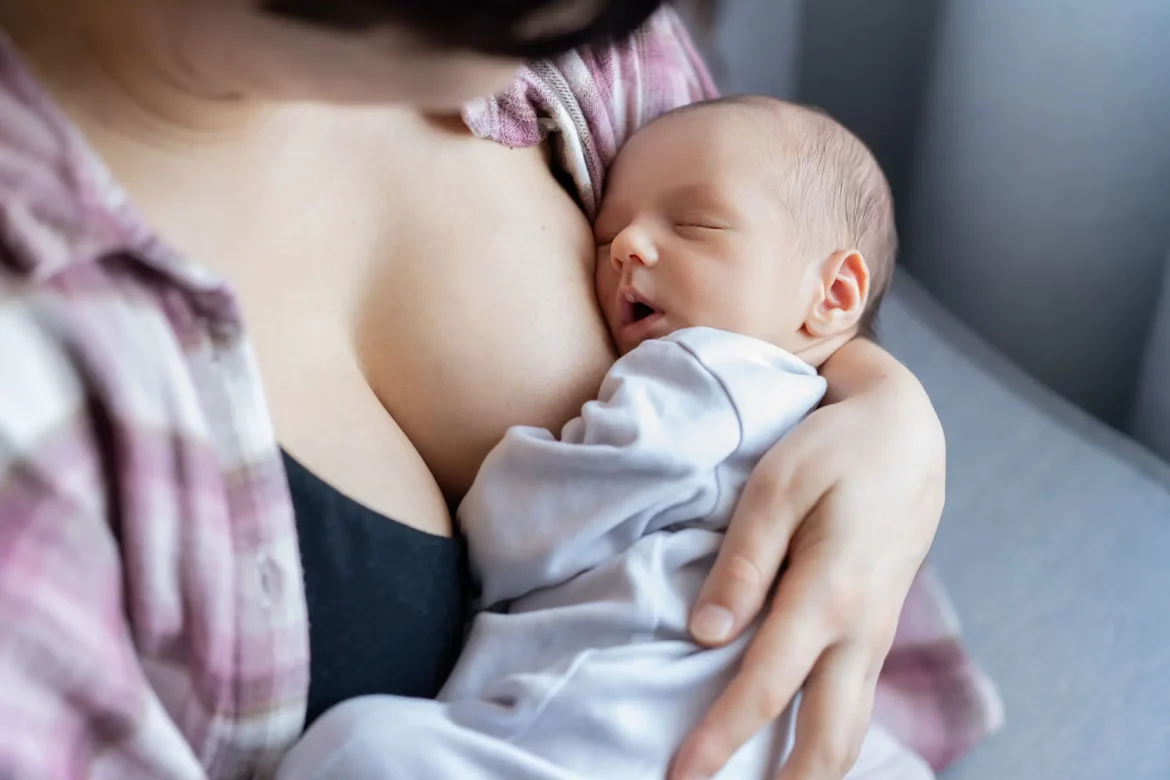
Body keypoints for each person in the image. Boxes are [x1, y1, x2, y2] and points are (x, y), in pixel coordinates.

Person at [0, 1, 947, 778]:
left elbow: (793, 273)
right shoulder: (38, 405)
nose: (629, 248)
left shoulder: (575, 53)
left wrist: (886, 410)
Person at [275, 96, 933, 780]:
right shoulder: (805, 406)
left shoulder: (712, 378)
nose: (626, 246)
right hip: (766, 743)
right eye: (604, 234)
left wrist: (485, 503)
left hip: (614, 731)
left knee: (354, 751)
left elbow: (543, 521)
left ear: (834, 293)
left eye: (695, 224)